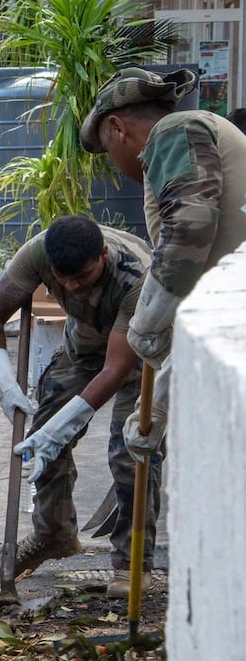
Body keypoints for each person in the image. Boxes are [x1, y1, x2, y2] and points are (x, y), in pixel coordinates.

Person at [0, 216, 161, 594]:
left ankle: (132, 563)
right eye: (64, 279)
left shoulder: (136, 276)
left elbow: (117, 368)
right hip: (85, 346)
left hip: (140, 354)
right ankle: (54, 534)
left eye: (83, 277)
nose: (73, 287)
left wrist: (63, 428)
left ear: (103, 256)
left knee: (131, 451)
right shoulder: (39, 252)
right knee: (39, 438)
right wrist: (3, 382)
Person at [81, 67, 246, 466]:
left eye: (107, 150)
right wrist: (157, 407)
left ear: (118, 128)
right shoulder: (196, 131)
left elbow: (189, 229)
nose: (115, 164)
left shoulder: (175, 129)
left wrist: (146, 322)